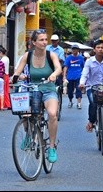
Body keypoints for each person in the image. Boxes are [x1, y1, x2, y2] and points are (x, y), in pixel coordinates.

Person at [12, 29, 62, 163]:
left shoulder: (51, 55)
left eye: (46, 39)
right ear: (34, 42)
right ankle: (28, 135)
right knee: (25, 113)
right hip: (33, 89)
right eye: (41, 40)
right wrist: (18, 76)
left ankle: (51, 147)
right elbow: (16, 73)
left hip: (48, 89)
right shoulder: (27, 56)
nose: (45, 42)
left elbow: (58, 68)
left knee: (52, 114)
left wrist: (54, 74)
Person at [79, 39, 103, 137]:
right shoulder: (89, 62)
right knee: (93, 102)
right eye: (98, 47)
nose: (100, 49)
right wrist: (82, 83)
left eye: (102, 48)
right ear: (94, 49)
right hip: (92, 87)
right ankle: (91, 121)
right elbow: (84, 74)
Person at [63, 44, 85, 109]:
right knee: (70, 90)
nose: (74, 50)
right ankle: (70, 101)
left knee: (78, 89)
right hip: (70, 76)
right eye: (73, 49)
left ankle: (79, 103)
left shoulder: (81, 58)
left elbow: (83, 67)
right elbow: (66, 67)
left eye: (76, 49)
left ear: (78, 50)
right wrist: (64, 76)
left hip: (78, 76)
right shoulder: (68, 58)